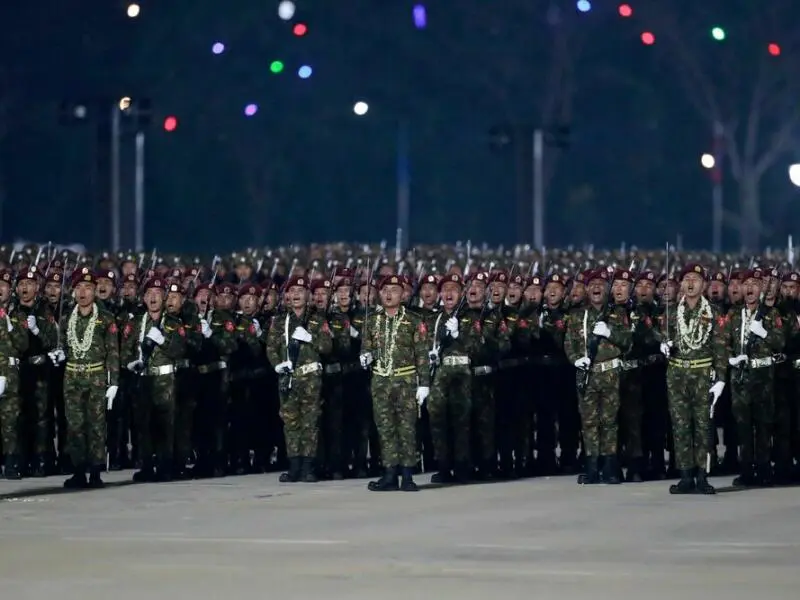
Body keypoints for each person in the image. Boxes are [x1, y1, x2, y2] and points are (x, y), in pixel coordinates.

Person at [660, 263, 728, 494]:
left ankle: (702, 475)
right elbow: (664, 337)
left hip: (702, 374)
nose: (690, 283)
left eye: (695, 279)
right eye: (686, 279)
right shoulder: (671, 312)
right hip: (677, 374)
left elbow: (720, 348)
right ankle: (686, 475)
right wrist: (664, 345)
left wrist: (720, 378)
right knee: (680, 426)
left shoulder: (714, 313)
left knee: (702, 427)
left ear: (704, 285)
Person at [359, 274, 430, 491]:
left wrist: (424, 383)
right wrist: (365, 356)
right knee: (385, 428)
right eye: (385, 290)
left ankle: (407, 475)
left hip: (405, 380)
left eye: (394, 290)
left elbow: (422, 354)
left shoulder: (414, 320)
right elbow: (366, 347)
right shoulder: (372, 320)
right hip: (380, 381)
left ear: (403, 294)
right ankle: (389, 474)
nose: (389, 294)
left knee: (407, 428)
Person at [58, 267, 120, 489]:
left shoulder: (105, 318)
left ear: (95, 292)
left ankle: (95, 471)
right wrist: (59, 355)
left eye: (88, 288)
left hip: (96, 376)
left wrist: (113, 383)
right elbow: (65, 346)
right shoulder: (67, 318)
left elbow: (113, 352)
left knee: (95, 425)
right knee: (74, 425)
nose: (83, 292)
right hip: (72, 375)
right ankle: (78, 470)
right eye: (79, 288)